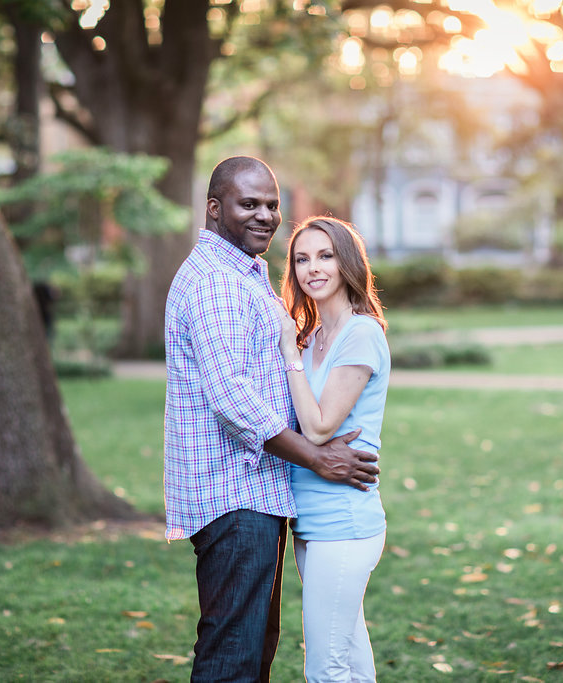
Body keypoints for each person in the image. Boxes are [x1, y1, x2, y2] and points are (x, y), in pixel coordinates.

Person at [163, 156, 380, 683]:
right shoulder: (216, 282)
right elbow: (232, 396)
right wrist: (315, 456)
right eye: (249, 204)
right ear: (215, 209)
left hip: (255, 493)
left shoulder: (242, 274)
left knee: (253, 646)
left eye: (272, 205)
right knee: (234, 655)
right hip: (233, 495)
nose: (265, 215)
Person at [276, 216, 391, 682]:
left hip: (343, 524)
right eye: (302, 258)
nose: (312, 268)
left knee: (326, 666)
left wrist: (288, 355)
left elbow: (320, 428)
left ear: (347, 262)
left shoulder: (360, 334)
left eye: (325, 255)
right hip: (311, 521)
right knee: (349, 654)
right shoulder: (313, 337)